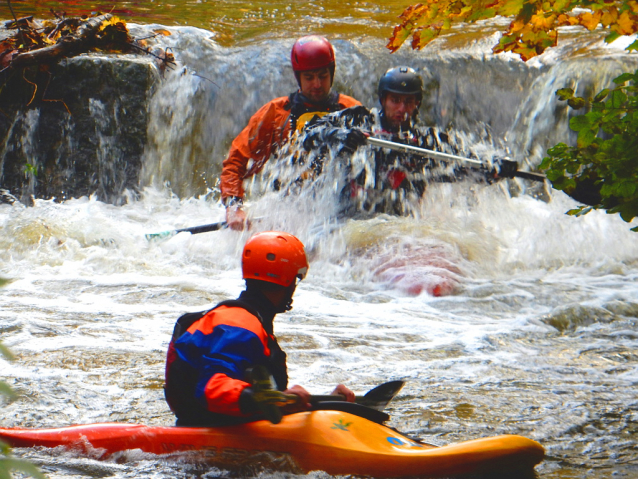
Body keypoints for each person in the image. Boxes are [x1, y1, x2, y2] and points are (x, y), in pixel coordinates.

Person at [164, 231, 354, 426]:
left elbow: (254, 394)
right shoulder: (241, 325)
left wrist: (328, 403)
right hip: (211, 435)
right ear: (289, 281)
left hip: (220, 425)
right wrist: (278, 399)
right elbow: (213, 388)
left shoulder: (238, 318)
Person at [300, 66, 516, 216]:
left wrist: (495, 165)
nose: (402, 109)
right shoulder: (357, 121)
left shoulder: (428, 142)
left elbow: (469, 162)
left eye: (408, 102)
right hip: (349, 226)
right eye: (395, 101)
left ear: (417, 104)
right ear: (383, 99)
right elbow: (310, 133)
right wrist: (338, 136)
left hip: (399, 231)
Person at [220, 35, 362, 230]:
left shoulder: (351, 110)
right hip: (290, 207)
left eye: (322, 76)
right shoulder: (276, 113)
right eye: (309, 77)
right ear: (298, 77)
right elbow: (237, 160)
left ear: (332, 74)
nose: (317, 85)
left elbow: (371, 164)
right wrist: (233, 206)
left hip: (339, 209)